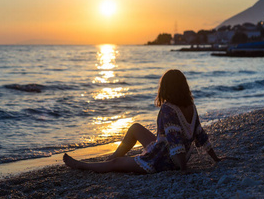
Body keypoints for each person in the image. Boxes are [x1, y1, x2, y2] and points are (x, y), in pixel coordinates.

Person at [63, 69, 226, 174]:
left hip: (163, 160)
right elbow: (200, 135)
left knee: (116, 164)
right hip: (171, 152)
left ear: (166, 88)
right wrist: (216, 159)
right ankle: (111, 157)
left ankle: (82, 165)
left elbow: (176, 140)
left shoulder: (168, 109)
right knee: (135, 128)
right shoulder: (191, 106)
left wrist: (183, 168)